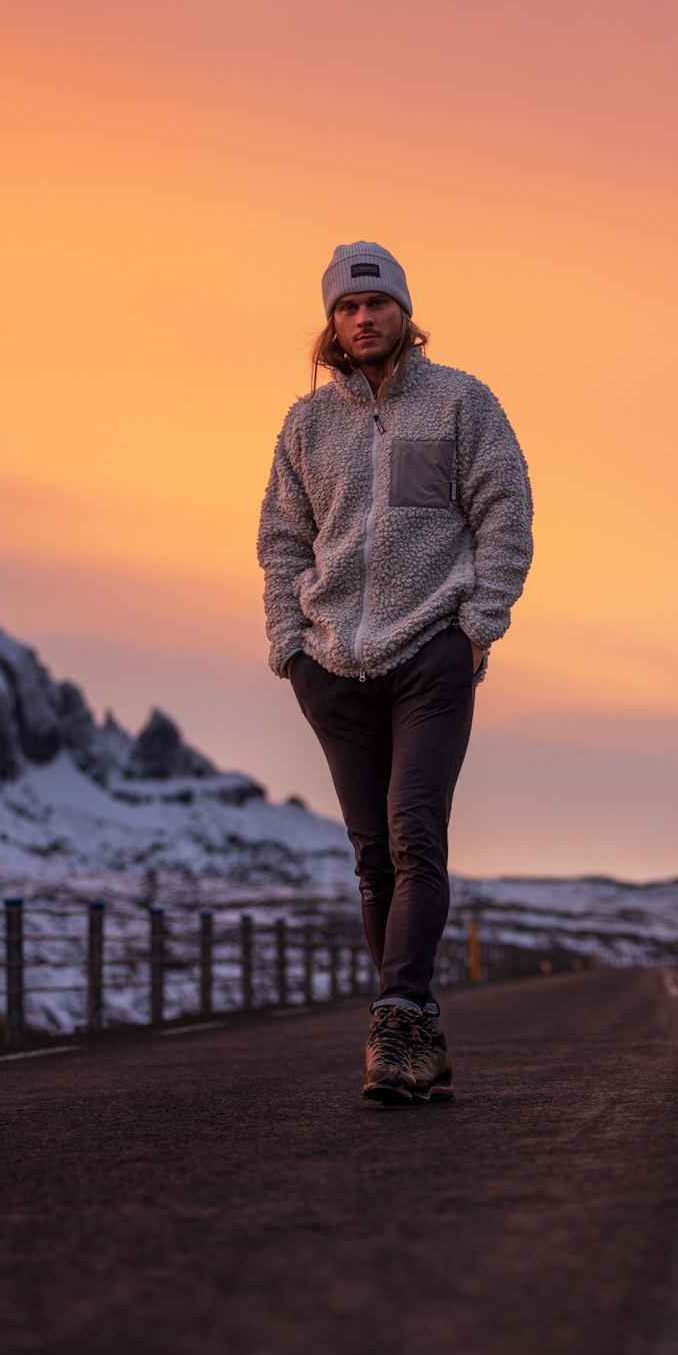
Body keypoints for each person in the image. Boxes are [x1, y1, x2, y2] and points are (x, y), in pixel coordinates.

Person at [258, 240, 533, 1106]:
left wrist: (475, 626)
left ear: (405, 314)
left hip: (430, 654)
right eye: (346, 306)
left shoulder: (461, 403)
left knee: (414, 831)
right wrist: (288, 647)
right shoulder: (306, 426)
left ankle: (399, 1017)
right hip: (333, 664)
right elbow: (280, 542)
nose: (363, 317)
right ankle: (409, 1027)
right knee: (373, 854)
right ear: (331, 324)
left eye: (377, 303)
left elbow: (505, 511)